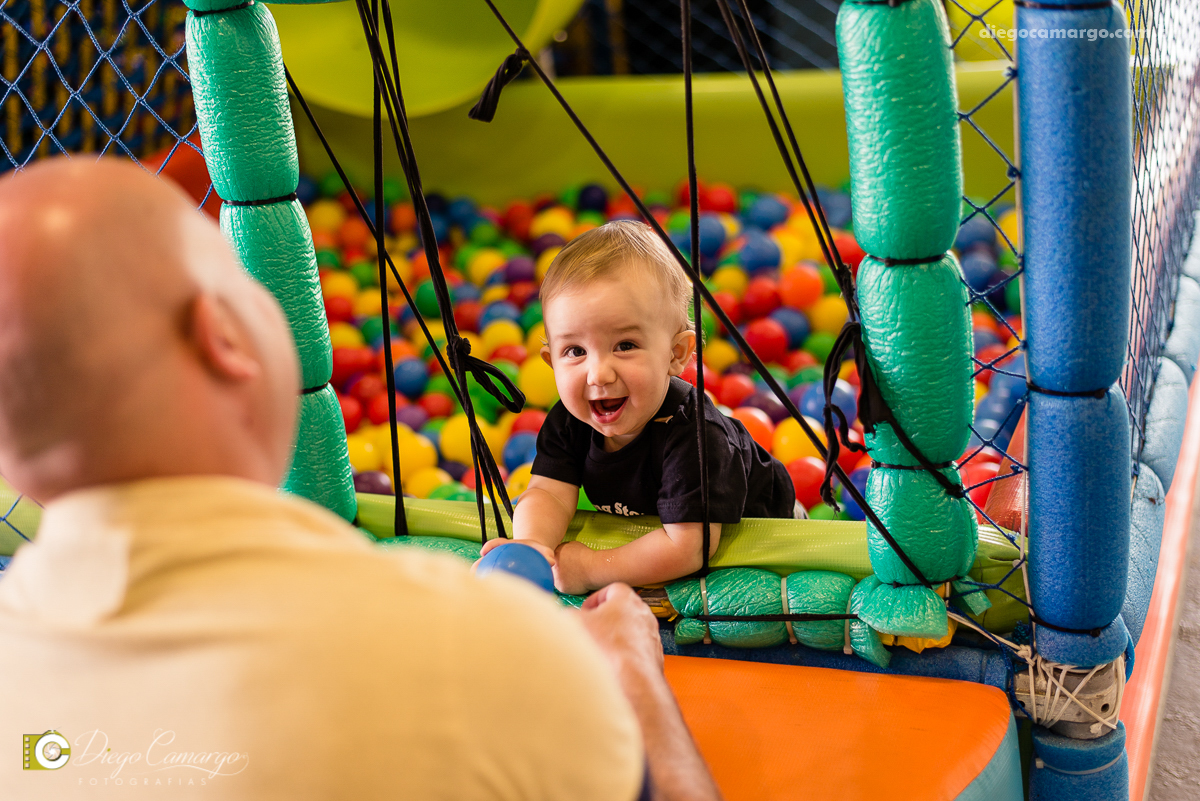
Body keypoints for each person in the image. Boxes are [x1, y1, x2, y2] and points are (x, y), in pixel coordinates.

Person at [0, 159, 720, 800]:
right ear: (222, 336)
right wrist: (634, 678)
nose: (596, 370)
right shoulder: (460, 641)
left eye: (624, 344)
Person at [481, 221, 795, 595]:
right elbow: (548, 493)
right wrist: (533, 546)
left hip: (767, 523)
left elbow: (688, 548)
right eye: (575, 351)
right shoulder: (570, 420)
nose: (598, 373)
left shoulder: (694, 435)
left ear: (676, 354)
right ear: (551, 362)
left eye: (625, 345)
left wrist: (592, 568)